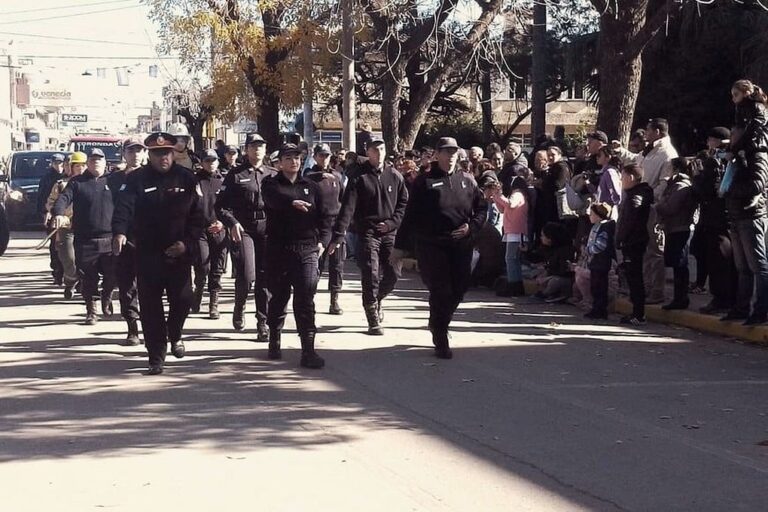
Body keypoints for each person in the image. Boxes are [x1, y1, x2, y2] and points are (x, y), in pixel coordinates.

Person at [112, 132, 204, 375]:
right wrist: (119, 233)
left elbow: (198, 217)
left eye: (167, 152)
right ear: (150, 155)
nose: (163, 157)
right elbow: (123, 208)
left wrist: (187, 244)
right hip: (147, 253)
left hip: (179, 253)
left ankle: (175, 333)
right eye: (157, 153)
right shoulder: (136, 180)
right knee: (151, 308)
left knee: (184, 300)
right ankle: (156, 357)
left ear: (173, 153)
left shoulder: (186, 179)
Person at [392, 137, 488, 359]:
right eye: (446, 151)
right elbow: (411, 215)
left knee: (459, 289)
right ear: (437, 154)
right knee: (441, 290)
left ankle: (437, 320)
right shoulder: (424, 181)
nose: (451, 155)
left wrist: (470, 227)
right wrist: (400, 247)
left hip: (461, 244)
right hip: (431, 244)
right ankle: (441, 336)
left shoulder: (468, 180)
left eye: (454, 151)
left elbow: (482, 209)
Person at [261, 144, 334, 368]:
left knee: (305, 299)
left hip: (307, 249)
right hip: (280, 249)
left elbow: (326, 217)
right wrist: (291, 203)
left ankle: (308, 350)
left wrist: (324, 241)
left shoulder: (311, 186)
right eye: (288, 158)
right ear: (279, 162)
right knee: (279, 297)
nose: (293, 161)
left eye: (297, 157)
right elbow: (272, 199)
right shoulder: (271, 184)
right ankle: (274, 337)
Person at [327, 137, 408, 335]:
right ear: (368, 152)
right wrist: (338, 236)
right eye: (374, 149)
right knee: (370, 274)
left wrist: (391, 223)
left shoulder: (395, 176)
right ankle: (372, 317)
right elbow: (347, 208)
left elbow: (403, 204)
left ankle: (378, 297)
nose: (379, 152)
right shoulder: (359, 177)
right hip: (367, 233)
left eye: (381, 148)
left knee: (393, 272)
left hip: (389, 232)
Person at [216, 132, 276, 340]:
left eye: (261, 145)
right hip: (245, 229)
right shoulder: (235, 175)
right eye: (253, 146)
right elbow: (221, 206)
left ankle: (263, 322)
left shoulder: (273, 174)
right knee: (248, 275)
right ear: (247, 149)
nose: (257, 149)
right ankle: (240, 304)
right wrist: (232, 223)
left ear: (265, 149)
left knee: (265, 277)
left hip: (267, 229)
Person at [721, 79, 768, 325]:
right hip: (737, 213)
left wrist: (731, 189)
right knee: (742, 267)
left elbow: (758, 184)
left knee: (758, 264)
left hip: (751, 213)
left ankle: (761, 309)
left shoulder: (757, 154)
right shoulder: (739, 155)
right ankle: (741, 307)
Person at [52, 148, 116, 326]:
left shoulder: (114, 180)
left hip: (110, 238)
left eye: (99, 159)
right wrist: (58, 213)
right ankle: (91, 310)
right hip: (85, 239)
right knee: (88, 277)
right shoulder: (77, 182)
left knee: (113, 275)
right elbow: (63, 199)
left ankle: (107, 295)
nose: (96, 162)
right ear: (87, 162)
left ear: (105, 162)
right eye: (93, 159)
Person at [105, 137, 146, 345]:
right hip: (122, 237)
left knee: (148, 283)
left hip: (148, 237)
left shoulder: (153, 177)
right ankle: (132, 326)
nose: (136, 154)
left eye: (139, 150)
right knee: (127, 283)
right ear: (124, 154)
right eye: (131, 151)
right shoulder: (113, 180)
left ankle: (150, 325)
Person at [694, 128, 736, 314]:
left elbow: (707, 190)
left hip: (716, 218)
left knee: (719, 260)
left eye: (712, 140)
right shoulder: (724, 161)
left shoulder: (716, 162)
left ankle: (722, 299)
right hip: (720, 217)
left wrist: (697, 176)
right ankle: (726, 298)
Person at [637, 118, 679, 304]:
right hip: (642, 204)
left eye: (648, 129)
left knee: (655, 251)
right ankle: (645, 287)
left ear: (658, 132)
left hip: (653, 206)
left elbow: (664, 183)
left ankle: (657, 290)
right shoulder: (650, 151)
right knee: (645, 250)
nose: (645, 132)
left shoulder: (667, 153)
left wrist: (649, 199)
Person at [306, 143, 346, 315]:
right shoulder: (309, 177)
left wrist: (342, 228)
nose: (324, 158)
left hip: (335, 225)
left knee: (337, 266)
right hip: (316, 228)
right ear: (315, 157)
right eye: (321, 155)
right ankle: (309, 298)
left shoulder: (336, 176)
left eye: (327, 155)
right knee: (316, 266)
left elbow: (344, 202)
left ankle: (334, 300)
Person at [655, 157, 698, 310]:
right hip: (675, 227)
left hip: (680, 228)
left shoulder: (681, 186)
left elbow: (671, 207)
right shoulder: (676, 185)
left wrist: (658, 205)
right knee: (676, 263)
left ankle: (681, 298)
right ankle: (679, 297)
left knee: (680, 264)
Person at [191, 149, 228, 319]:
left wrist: (223, 223)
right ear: (202, 162)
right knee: (203, 266)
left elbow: (231, 206)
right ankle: (198, 289)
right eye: (207, 160)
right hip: (200, 230)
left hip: (220, 229)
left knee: (217, 269)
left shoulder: (225, 180)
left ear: (218, 162)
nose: (211, 163)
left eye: (213, 160)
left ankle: (214, 304)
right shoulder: (194, 180)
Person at [616, 163, 653, 325]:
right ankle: (637, 312)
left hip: (633, 242)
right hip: (634, 240)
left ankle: (638, 314)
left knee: (635, 278)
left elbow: (628, 222)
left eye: (622, 176)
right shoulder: (635, 194)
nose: (621, 180)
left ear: (631, 177)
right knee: (633, 277)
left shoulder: (636, 196)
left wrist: (620, 239)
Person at [46, 152, 87, 299]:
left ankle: (85, 287)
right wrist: (58, 214)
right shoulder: (61, 184)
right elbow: (51, 202)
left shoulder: (93, 183)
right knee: (69, 259)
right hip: (66, 227)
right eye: (77, 166)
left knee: (85, 260)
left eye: (83, 165)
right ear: (71, 167)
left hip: (87, 227)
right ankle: (70, 280)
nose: (80, 169)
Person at [490, 175, 529, 296]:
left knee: (510, 259)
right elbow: (503, 209)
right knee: (513, 259)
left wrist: (499, 195)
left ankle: (514, 285)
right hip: (512, 231)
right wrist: (496, 196)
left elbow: (511, 204)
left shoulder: (517, 194)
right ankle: (516, 285)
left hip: (515, 231)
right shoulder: (518, 195)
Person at [584, 203, 616, 320]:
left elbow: (601, 245)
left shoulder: (604, 228)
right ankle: (596, 309)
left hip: (601, 262)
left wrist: (588, 250)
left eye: (591, 214)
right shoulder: (597, 226)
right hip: (596, 262)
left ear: (598, 215)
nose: (589, 216)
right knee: (595, 287)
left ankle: (600, 310)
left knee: (600, 287)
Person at [38, 153, 66, 285]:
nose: (59, 166)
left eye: (61, 163)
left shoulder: (68, 178)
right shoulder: (47, 178)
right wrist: (45, 212)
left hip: (68, 217)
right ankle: (57, 272)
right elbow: (43, 197)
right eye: (56, 163)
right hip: (52, 214)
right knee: (55, 244)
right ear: (52, 164)